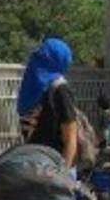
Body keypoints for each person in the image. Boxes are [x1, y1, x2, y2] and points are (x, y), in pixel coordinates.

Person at [18, 37, 82, 168]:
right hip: (36, 164)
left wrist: (63, 174)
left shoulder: (59, 89)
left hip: (51, 167)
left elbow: (70, 138)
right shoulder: (35, 89)